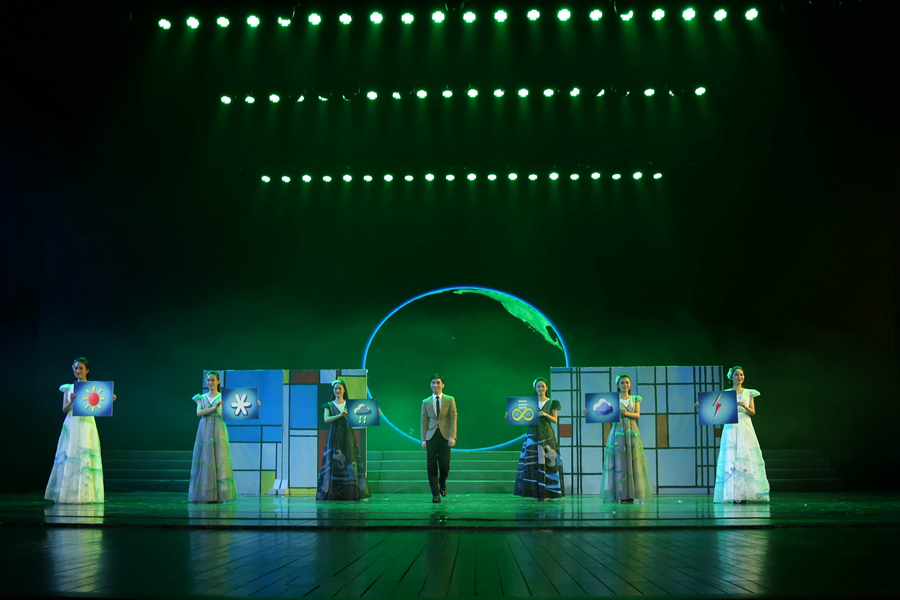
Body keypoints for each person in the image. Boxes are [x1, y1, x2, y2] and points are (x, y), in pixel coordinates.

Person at [45, 357, 116, 504]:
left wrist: (109, 399)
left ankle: (85, 494)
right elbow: (64, 409)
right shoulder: (69, 387)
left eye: (80, 368)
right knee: (71, 453)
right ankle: (68, 494)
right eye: (76, 368)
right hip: (73, 422)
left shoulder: (92, 386)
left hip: (87, 423)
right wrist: (72, 400)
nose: (77, 371)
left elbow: (99, 402)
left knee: (85, 453)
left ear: (87, 370)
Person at [711, 366, 770, 503]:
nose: (739, 377)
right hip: (731, 425)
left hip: (745, 425)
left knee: (745, 455)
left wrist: (744, 405)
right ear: (731, 377)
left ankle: (745, 494)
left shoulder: (749, 393)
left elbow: (753, 412)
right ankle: (732, 493)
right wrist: (701, 406)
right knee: (732, 456)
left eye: (741, 375)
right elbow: (716, 410)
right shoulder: (726, 393)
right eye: (737, 375)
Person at [590, 374, 652, 503]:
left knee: (633, 461)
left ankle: (632, 492)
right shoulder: (613, 399)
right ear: (618, 385)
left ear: (630, 384)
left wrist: (626, 413)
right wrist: (589, 412)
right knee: (619, 462)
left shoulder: (635, 398)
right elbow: (602, 412)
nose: (625, 385)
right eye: (622, 383)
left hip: (632, 431)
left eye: (627, 382)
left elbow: (637, 415)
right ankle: (619, 492)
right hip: (617, 431)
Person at [188, 371, 241, 503]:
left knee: (220, 458)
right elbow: (199, 412)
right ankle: (205, 494)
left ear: (218, 381)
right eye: (208, 380)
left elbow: (236, 410)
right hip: (204, 428)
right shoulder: (201, 397)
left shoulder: (224, 397)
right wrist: (214, 408)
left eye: (212, 380)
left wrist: (254, 406)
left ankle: (220, 494)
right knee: (205, 458)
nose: (210, 383)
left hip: (218, 428)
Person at [511, 377, 565, 501]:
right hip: (533, 434)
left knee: (546, 462)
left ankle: (545, 493)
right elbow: (519, 416)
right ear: (535, 388)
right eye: (538, 386)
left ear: (546, 388)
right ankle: (535, 492)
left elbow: (555, 420)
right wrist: (510, 415)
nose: (540, 388)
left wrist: (545, 414)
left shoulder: (552, 402)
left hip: (546, 434)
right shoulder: (530, 403)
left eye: (542, 386)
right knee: (533, 462)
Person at [317, 379, 371, 500]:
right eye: (335, 388)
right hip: (334, 435)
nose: (337, 391)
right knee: (333, 460)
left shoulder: (350, 405)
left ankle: (350, 492)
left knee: (349, 459)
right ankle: (332, 492)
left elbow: (363, 414)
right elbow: (326, 419)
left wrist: (374, 413)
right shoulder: (328, 405)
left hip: (347, 434)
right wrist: (340, 415)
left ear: (344, 390)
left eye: (340, 388)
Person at [421, 374, 457, 503]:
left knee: (444, 465)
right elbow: (423, 421)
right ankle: (435, 494)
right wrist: (423, 439)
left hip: (445, 436)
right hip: (431, 437)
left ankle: (443, 483)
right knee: (431, 466)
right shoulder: (426, 401)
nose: (435, 385)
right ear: (430, 385)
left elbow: (453, 418)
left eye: (437, 383)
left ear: (443, 385)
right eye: (433, 383)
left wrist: (452, 436)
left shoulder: (449, 399)